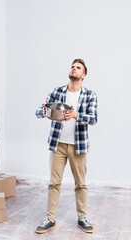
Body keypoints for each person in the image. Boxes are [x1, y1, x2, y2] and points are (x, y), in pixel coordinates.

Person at [35, 59, 98, 234]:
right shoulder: (57, 92)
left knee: (80, 184)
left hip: (78, 146)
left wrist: (77, 115)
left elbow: (93, 119)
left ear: (83, 75)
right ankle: (50, 219)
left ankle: (82, 218)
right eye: (73, 66)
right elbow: (39, 111)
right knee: (54, 183)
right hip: (58, 144)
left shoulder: (90, 95)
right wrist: (47, 112)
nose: (74, 69)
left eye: (78, 68)